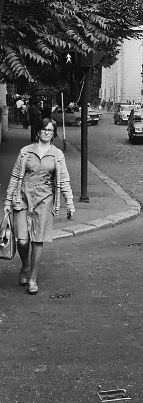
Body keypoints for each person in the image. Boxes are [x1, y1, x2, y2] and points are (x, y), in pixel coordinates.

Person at [4, 118, 75, 295]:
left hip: (44, 200)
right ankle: (26, 265)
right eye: (44, 129)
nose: (46, 132)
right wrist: (7, 201)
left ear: (53, 134)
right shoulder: (25, 152)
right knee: (22, 240)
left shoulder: (57, 155)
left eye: (50, 130)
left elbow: (64, 180)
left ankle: (33, 278)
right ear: (38, 132)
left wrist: (70, 203)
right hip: (22, 198)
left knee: (37, 239)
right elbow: (14, 177)